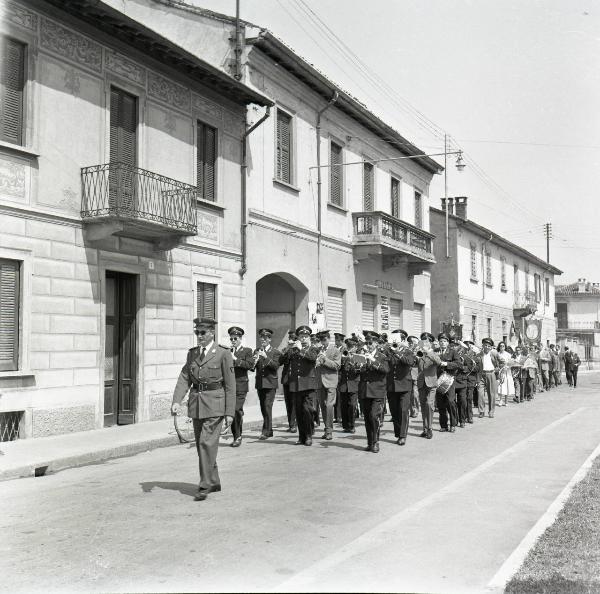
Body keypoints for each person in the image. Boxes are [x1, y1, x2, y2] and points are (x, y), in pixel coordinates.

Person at [171, 317, 235, 502]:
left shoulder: (223, 353)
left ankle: (205, 484)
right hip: (196, 404)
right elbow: (185, 377)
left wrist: (229, 412)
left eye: (202, 333)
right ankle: (214, 480)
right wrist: (177, 400)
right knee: (202, 445)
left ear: (211, 333)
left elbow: (230, 385)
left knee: (206, 443)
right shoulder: (192, 354)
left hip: (216, 404)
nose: (199, 336)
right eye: (196, 332)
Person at [285, 325, 321, 446]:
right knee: (299, 412)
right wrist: (288, 348)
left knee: (308, 410)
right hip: (296, 385)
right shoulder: (294, 349)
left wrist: (301, 350)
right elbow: (282, 360)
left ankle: (309, 435)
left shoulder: (313, 348)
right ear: (298, 337)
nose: (303, 338)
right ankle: (301, 437)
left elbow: (312, 358)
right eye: (301, 336)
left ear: (309, 337)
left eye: (306, 336)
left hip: (309, 385)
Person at [358, 330, 390, 453]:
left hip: (377, 391)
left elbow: (385, 370)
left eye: (371, 342)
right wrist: (358, 364)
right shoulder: (363, 355)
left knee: (373, 416)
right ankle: (370, 442)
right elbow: (357, 371)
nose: (368, 345)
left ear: (376, 343)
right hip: (365, 391)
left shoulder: (382, 356)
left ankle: (376, 441)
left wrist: (373, 361)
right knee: (367, 418)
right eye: (367, 342)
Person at [386, 329, 417, 446]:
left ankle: (402, 435)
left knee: (403, 411)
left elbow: (409, 362)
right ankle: (398, 433)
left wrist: (397, 352)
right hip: (391, 386)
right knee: (394, 412)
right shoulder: (388, 351)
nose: (396, 342)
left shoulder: (408, 351)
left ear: (403, 340)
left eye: (399, 340)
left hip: (404, 385)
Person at [228, 326, 255, 447]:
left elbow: (249, 365)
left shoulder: (247, 351)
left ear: (240, 339)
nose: (233, 341)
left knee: (235, 410)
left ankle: (237, 436)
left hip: (241, 385)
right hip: (229, 387)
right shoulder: (227, 351)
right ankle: (237, 434)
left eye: (235, 338)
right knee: (235, 411)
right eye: (231, 338)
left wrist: (235, 359)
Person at [253, 328, 282, 440]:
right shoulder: (257, 350)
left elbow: (275, 366)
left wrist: (265, 357)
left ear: (270, 339)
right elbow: (252, 367)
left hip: (270, 383)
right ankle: (269, 430)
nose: (263, 340)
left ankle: (266, 430)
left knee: (267, 406)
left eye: (265, 338)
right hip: (260, 383)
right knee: (262, 407)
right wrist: (254, 361)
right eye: (262, 337)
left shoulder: (275, 352)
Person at [315, 329, 342, 441]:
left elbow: (337, 366)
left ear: (329, 339)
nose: (323, 342)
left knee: (329, 406)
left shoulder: (335, 350)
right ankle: (326, 429)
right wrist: (316, 362)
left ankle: (329, 431)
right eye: (321, 340)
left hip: (331, 381)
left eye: (324, 339)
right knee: (323, 407)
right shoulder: (318, 350)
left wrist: (324, 359)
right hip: (320, 382)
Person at [417, 332, 442, 439]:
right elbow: (419, 366)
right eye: (423, 341)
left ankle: (430, 428)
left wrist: (428, 352)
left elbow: (439, 362)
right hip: (421, 382)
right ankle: (425, 428)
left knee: (429, 404)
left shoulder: (434, 353)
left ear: (431, 343)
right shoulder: (420, 353)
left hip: (431, 383)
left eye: (427, 341)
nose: (425, 343)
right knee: (423, 406)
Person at [436, 333, 460, 432]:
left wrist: (447, 364)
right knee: (440, 404)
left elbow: (458, 364)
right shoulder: (435, 351)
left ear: (448, 343)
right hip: (438, 380)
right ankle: (444, 425)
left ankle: (453, 424)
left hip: (449, 380)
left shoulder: (453, 352)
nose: (443, 343)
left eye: (445, 341)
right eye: (441, 341)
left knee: (450, 402)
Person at [338, 337, 361, 433]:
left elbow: (359, 371)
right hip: (343, 384)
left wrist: (352, 362)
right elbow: (339, 368)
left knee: (352, 405)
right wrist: (343, 360)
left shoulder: (359, 356)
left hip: (353, 384)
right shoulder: (343, 355)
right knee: (344, 405)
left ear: (355, 347)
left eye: (351, 346)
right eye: (348, 346)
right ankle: (346, 426)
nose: (350, 348)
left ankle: (352, 425)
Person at [476, 338, 500, 418]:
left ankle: (491, 411)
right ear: (482, 346)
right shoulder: (479, 355)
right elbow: (476, 365)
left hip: (491, 374)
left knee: (491, 394)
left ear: (491, 347)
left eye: (489, 346)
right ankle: (481, 411)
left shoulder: (494, 354)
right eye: (485, 345)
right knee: (480, 394)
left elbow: (502, 362)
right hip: (481, 375)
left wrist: (498, 369)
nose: (487, 347)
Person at [455, 340, 476, 427]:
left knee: (463, 401)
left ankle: (462, 420)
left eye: (460, 347)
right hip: (452, 381)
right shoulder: (451, 355)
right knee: (451, 402)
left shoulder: (465, 357)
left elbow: (470, 367)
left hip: (462, 381)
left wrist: (462, 367)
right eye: (457, 347)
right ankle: (454, 420)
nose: (458, 349)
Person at [280, 331, 298, 432]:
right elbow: (280, 361)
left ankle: (294, 424)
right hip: (286, 379)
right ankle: (291, 424)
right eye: (290, 339)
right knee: (288, 403)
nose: (292, 340)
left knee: (294, 402)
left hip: (295, 380)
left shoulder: (298, 350)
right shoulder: (285, 350)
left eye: (294, 339)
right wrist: (287, 349)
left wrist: (294, 348)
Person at [496, 342, 515, 406]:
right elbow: (496, 363)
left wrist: (508, 367)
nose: (502, 347)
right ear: (499, 347)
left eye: (503, 346)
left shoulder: (508, 354)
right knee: (501, 386)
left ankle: (506, 401)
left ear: (505, 347)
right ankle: (501, 400)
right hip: (500, 372)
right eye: (500, 346)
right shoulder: (497, 354)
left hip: (507, 372)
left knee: (507, 386)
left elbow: (511, 363)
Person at [407, 335, 420, 418]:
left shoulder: (419, 350)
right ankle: (409, 410)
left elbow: (421, 362)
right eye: (410, 342)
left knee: (415, 394)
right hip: (406, 374)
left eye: (413, 342)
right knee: (407, 394)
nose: (412, 344)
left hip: (415, 374)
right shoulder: (406, 350)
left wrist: (416, 356)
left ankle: (415, 410)